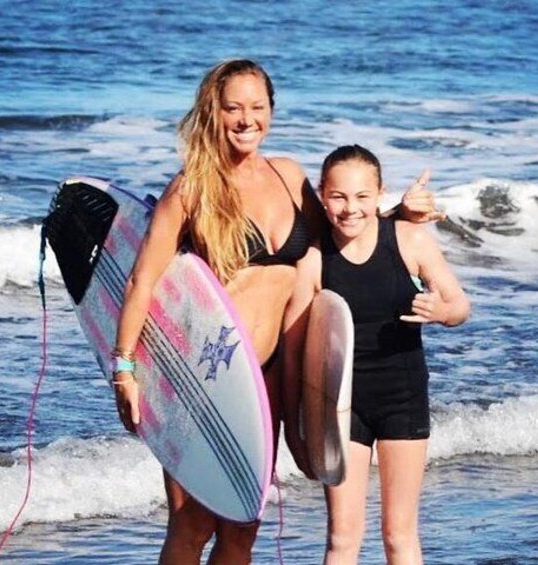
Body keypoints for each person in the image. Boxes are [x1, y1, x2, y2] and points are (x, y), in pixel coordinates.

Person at [110, 59, 442, 565]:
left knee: (243, 528)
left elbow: (340, 238)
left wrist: (396, 217)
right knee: (192, 524)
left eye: (257, 107)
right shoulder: (192, 188)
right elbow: (142, 279)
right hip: (201, 378)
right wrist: (124, 368)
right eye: (234, 108)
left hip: (265, 381)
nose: (247, 119)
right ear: (212, 111)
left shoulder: (287, 177)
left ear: (271, 112)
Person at [282, 145, 470, 565]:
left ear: (380, 194)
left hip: (402, 398)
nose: (351, 208)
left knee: (398, 535)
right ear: (321, 194)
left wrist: (441, 311)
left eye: (362, 196)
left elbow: (460, 304)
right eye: (339, 196)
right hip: (338, 407)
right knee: (342, 539)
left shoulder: (407, 240)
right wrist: (295, 431)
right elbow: (293, 355)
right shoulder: (314, 260)